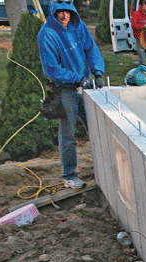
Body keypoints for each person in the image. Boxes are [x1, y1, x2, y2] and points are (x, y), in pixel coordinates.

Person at [37, 1, 105, 190]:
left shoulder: (78, 26)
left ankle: (104, 167)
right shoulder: (47, 34)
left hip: (84, 86)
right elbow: (52, 69)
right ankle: (69, 176)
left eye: (68, 12)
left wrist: (98, 72)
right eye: (60, 12)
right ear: (53, 13)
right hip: (65, 89)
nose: (64, 16)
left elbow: (91, 48)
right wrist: (78, 79)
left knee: (98, 128)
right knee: (68, 135)